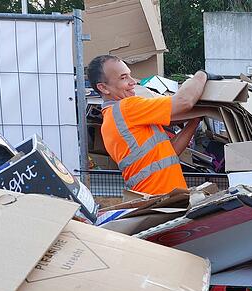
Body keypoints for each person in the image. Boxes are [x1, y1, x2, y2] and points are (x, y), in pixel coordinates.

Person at [87, 55, 221, 195]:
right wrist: (201, 75)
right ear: (103, 88)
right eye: (123, 77)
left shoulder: (112, 120)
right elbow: (184, 101)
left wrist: (194, 120)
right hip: (162, 198)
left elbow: (170, 153)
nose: (132, 82)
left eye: (130, 75)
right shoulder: (126, 108)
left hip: (159, 199)